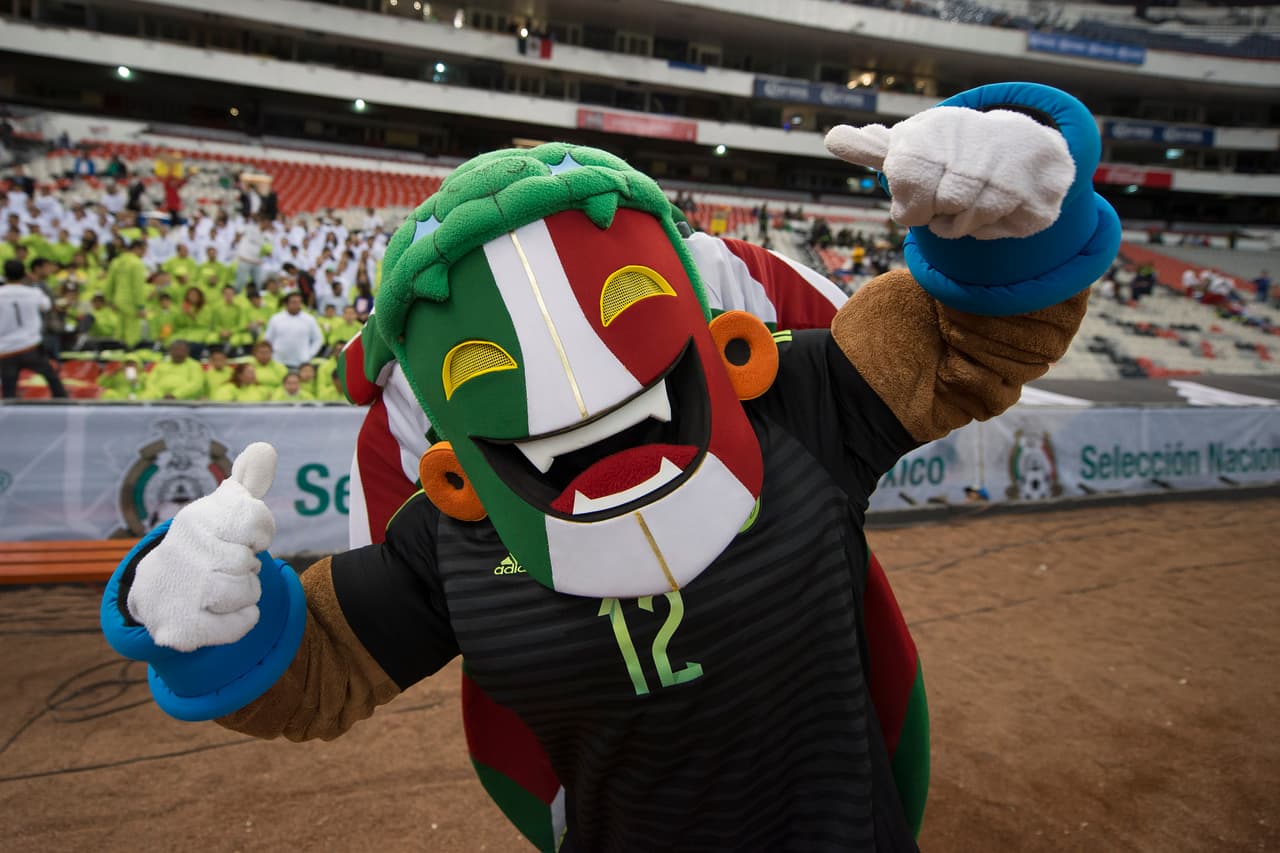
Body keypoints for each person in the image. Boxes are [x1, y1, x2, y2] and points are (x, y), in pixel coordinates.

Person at [101, 87, 1117, 851]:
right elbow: (317, 669)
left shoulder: (791, 406)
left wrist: (1014, 211)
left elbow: (966, 345)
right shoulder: (450, 535)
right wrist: (204, 625)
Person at [0, 258, 67, 398]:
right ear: (24, 274)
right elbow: (47, 306)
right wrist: (35, 283)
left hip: (6, 349)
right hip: (30, 346)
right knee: (53, 380)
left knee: (8, 390)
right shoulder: (34, 292)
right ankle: (64, 405)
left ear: (5, 275)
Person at [263, 291, 324, 368]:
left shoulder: (309, 319)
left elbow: (318, 339)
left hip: (301, 362)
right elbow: (268, 340)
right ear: (286, 304)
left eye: (299, 302)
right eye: (294, 302)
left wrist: (310, 354)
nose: (297, 305)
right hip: (278, 361)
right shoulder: (276, 319)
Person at [140, 340, 206, 400]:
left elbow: (196, 384)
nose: (179, 353)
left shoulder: (194, 365)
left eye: (182, 350)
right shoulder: (161, 364)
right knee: (145, 396)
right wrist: (161, 395)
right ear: (170, 351)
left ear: (187, 352)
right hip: (159, 395)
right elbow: (150, 382)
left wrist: (176, 395)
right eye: (176, 350)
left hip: (185, 397)